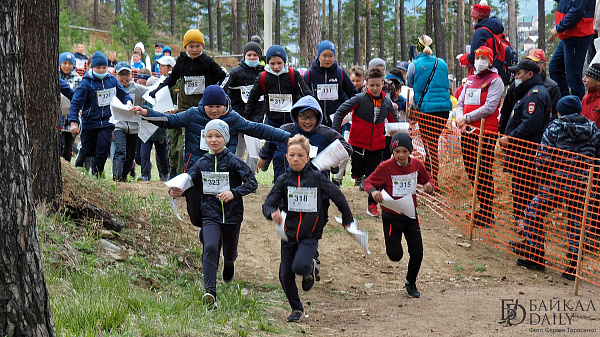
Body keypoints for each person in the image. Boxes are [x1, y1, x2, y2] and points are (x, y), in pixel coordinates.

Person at [133, 85, 291, 227]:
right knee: (196, 217)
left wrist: (286, 137)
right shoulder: (193, 114)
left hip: (222, 173)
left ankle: (217, 243)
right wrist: (146, 113)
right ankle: (208, 235)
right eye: (210, 106)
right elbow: (169, 120)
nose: (214, 110)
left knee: (218, 216)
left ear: (224, 104)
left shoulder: (232, 118)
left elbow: (258, 129)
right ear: (204, 104)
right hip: (196, 172)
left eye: (218, 106)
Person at [262, 134, 353, 322]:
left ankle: (310, 266)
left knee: (300, 266)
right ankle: (297, 309)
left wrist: (347, 218)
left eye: (300, 156)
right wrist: (272, 213)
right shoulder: (283, 180)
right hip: (288, 234)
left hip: (309, 234)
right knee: (285, 275)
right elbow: (268, 204)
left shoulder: (317, 178)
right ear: (286, 157)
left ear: (308, 157)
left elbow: (338, 196)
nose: (296, 159)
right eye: (292, 155)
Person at [170, 119, 258, 309]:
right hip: (210, 214)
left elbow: (252, 183)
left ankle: (229, 262)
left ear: (225, 138)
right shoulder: (201, 163)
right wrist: (177, 190)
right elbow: (189, 181)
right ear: (205, 138)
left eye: (218, 136)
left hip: (232, 215)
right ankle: (210, 293)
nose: (213, 140)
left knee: (230, 252)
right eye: (209, 136)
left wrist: (233, 193)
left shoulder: (234, 161)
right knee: (210, 247)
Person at [509, 96, 600, 278]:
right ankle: (573, 267)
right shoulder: (594, 130)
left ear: (561, 111)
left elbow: (542, 159)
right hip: (583, 185)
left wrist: (543, 177)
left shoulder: (554, 128)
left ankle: (536, 256)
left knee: (532, 214)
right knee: (577, 224)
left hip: (556, 184)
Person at [363, 132, 434, 298]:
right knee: (395, 255)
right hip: (391, 215)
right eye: (397, 152)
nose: (401, 155)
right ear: (392, 152)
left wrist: (429, 186)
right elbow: (368, 182)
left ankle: (411, 282)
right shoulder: (386, 167)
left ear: (410, 151)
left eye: (404, 151)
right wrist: (373, 192)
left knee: (417, 251)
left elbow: (428, 180)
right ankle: (394, 249)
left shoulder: (417, 165)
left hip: (410, 215)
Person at [332, 66, 399, 217]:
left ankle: (372, 205)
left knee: (374, 176)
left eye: (377, 85)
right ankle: (357, 175)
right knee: (357, 171)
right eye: (371, 85)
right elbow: (340, 112)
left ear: (383, 84)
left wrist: (396, 136)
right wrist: (336, 132)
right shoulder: (359, 99)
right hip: (356, 144)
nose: (374, 88)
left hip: (377, 146)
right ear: (366, 84)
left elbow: (394, 122)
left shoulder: (387, 102)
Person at [244, 45, 312, 178]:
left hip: (292, 121)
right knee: (280, 155)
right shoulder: (263, 77)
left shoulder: (293, 75)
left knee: (292, 152)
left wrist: (310, 113)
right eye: (272, 63)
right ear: (267, 62)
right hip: (272, 121)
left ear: (285, 62)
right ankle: (279, 181)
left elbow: (306, 94)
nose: (276, 67)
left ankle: (268, 155)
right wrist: (246, 118)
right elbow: (252, 98)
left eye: (279, 63)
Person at [499, 58, 552, 223]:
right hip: (520, 152)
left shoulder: (534, 95)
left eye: (519, 73)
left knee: (526, 188)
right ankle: (521, 221)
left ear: (530, 74)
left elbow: (530, 125)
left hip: (528, 153)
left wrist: (510, 138)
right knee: (519, 187)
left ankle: (527, 224)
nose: (516, 77)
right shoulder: (525, 92)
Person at [455, 46, 503, 227]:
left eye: (484, 57)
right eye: (477, 57)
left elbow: (490, 107)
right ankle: (481, 207)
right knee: (471, 170)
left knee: (483, 171)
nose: (480, 60)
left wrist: (467, 118)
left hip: (485, 132)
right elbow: (460, 101)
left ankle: (487, 211)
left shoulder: (495, 81)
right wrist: (460, 116)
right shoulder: (471, 79)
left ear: (490, 61)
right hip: (467, 132)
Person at [69, 51, 133, 177]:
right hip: (89, 122)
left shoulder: (112, 80)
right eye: (98, 68)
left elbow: (123, 94)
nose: (101, 70)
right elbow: (76, 103)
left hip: (107, 122)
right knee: (87, 150)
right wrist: (73, 122)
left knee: (102, 149)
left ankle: (97, 174)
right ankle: (78, 169)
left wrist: (128, 101)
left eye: (104, 67)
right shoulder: (86, 83)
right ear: (92, 67)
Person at [406, 34, 453, 183]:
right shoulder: (442, 63)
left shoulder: (414, 64)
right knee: (433, 141)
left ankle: (433, 180)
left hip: (426, 109)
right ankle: (430, 177)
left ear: (417, 48)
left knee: (429, 144)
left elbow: (410, 83)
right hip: (444, 109)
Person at [150, 29, 228, 113]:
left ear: (202, 46)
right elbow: (171, 79)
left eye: (198, 46)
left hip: (204, 105)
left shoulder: (208, 62)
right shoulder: (181, 61)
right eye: (191, 47)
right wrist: (158, 90)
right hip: (185, 106)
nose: (195, 50)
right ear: (185, 47)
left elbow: (223, 77)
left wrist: (217, 93)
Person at [223, 41, 265, 170]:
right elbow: (221, 88)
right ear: (244, 56)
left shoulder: (264, 73)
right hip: (238, 116)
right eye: (249, 55)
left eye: (255, 55)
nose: (252, 58)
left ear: (259, 56)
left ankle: (250, 177)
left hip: (256, 117)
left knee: (254, 150)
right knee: (238, 150)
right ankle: (234, 175)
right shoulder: (234, 72)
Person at [499, 49, 561, 133]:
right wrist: (503, 132)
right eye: (529, 60)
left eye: (535, 62)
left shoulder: (552, 87)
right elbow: (506, 111)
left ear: (543, 65)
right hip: (512, 136)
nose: (531, 63)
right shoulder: (516, 84)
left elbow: (552, 117)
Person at [303, 40, 358, 126]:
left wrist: (345, 110)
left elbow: (353, 94)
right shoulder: (310, 73)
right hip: (315, 121)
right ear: (319, 56)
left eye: (331, 56)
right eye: (324, 56)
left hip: (336, 120)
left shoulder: (340, 72)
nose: (327, 59)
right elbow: (303, 95)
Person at [549, 0, 595, 99]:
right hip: (568, 34)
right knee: (555, 68)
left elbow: (577, 11)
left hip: (577, 34)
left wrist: (558, 28)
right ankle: (565, 104)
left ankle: (578, 111)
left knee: (574, 78)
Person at [112, 61, 148, 182]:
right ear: (116, 75)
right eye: (121, 74)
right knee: (120, 150)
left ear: (131, 75)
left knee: (131, 155)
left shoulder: (137, 89)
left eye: (127, 74)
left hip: (133, 126)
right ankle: (116, 177)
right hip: (118, 125)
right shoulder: (113, 88)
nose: (124, 77)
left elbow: (151, 92)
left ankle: (124, 176)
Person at [156, 55, 183, 178]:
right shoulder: (161, 81)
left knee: (180, 147)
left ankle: (178, 172)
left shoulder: (178, 80)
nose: (159, 68)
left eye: (162, 66)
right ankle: (172, 170)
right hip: (170, 118)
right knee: (171, 146)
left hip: (182, 116)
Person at [59, 51, 82, 162]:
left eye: (70, 63)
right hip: (58, 117)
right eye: (64, 63)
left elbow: (79, 96)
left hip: (71, 117)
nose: (67, 66)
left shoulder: (78, 79)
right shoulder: (55, 77)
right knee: (59, 145)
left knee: (68, 149)